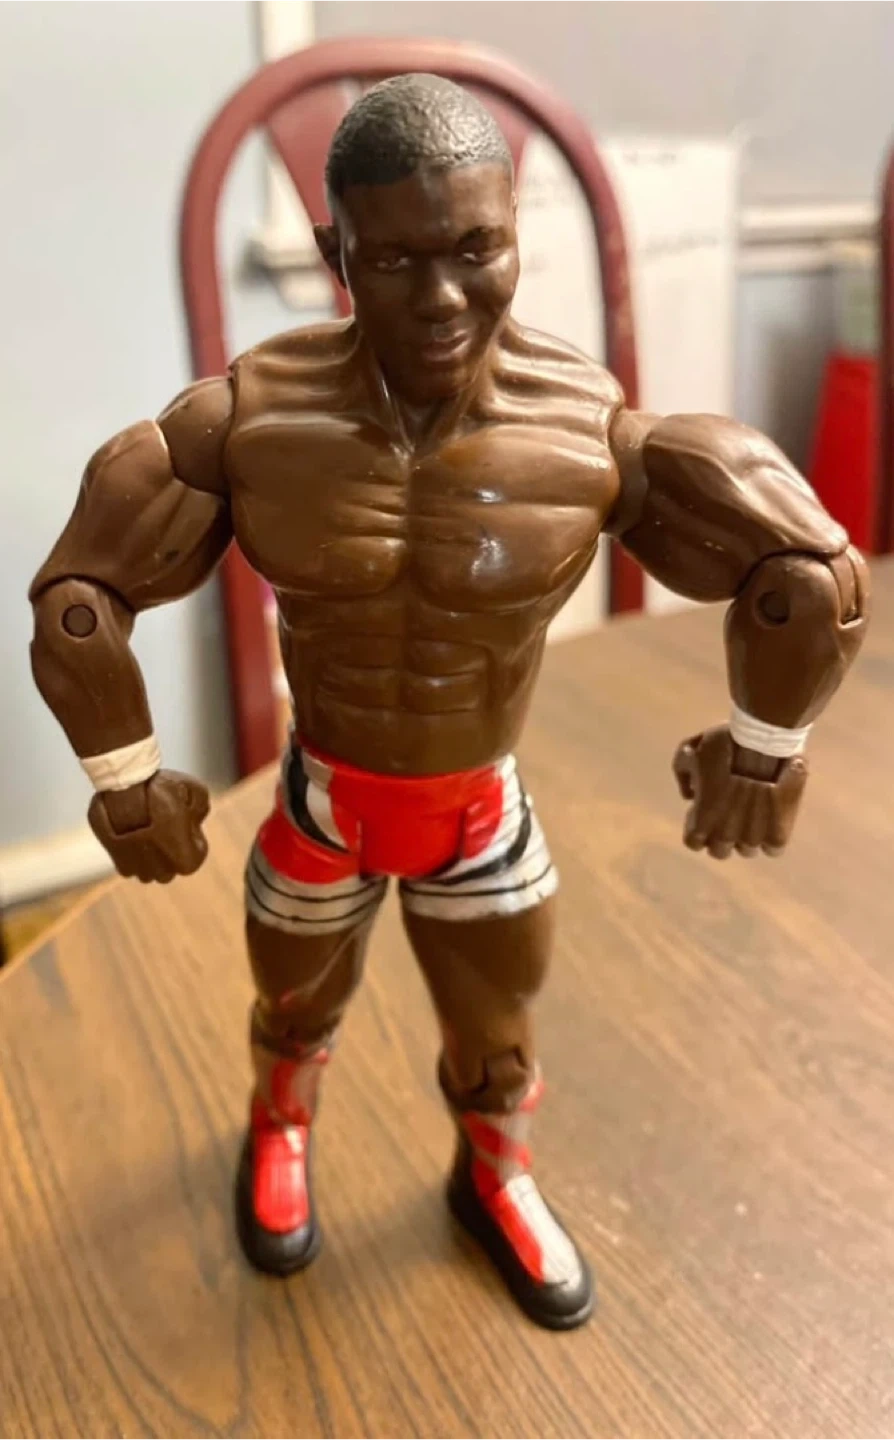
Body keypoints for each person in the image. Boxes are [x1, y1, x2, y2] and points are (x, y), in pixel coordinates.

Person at [29, 74, 868, 1331]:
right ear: (337, 256)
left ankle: (495, 1178)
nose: (440, 299)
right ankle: (280, 1131)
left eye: (477, 250)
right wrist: (124, 779)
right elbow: (80, 601)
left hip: (480, 807)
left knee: (498, 1029)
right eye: (395, 260)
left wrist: (763, 749)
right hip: (323, 799)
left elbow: (806, 575)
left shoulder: (587, 432)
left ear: (515, 232)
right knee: (293, 1010)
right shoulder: (255, 420)